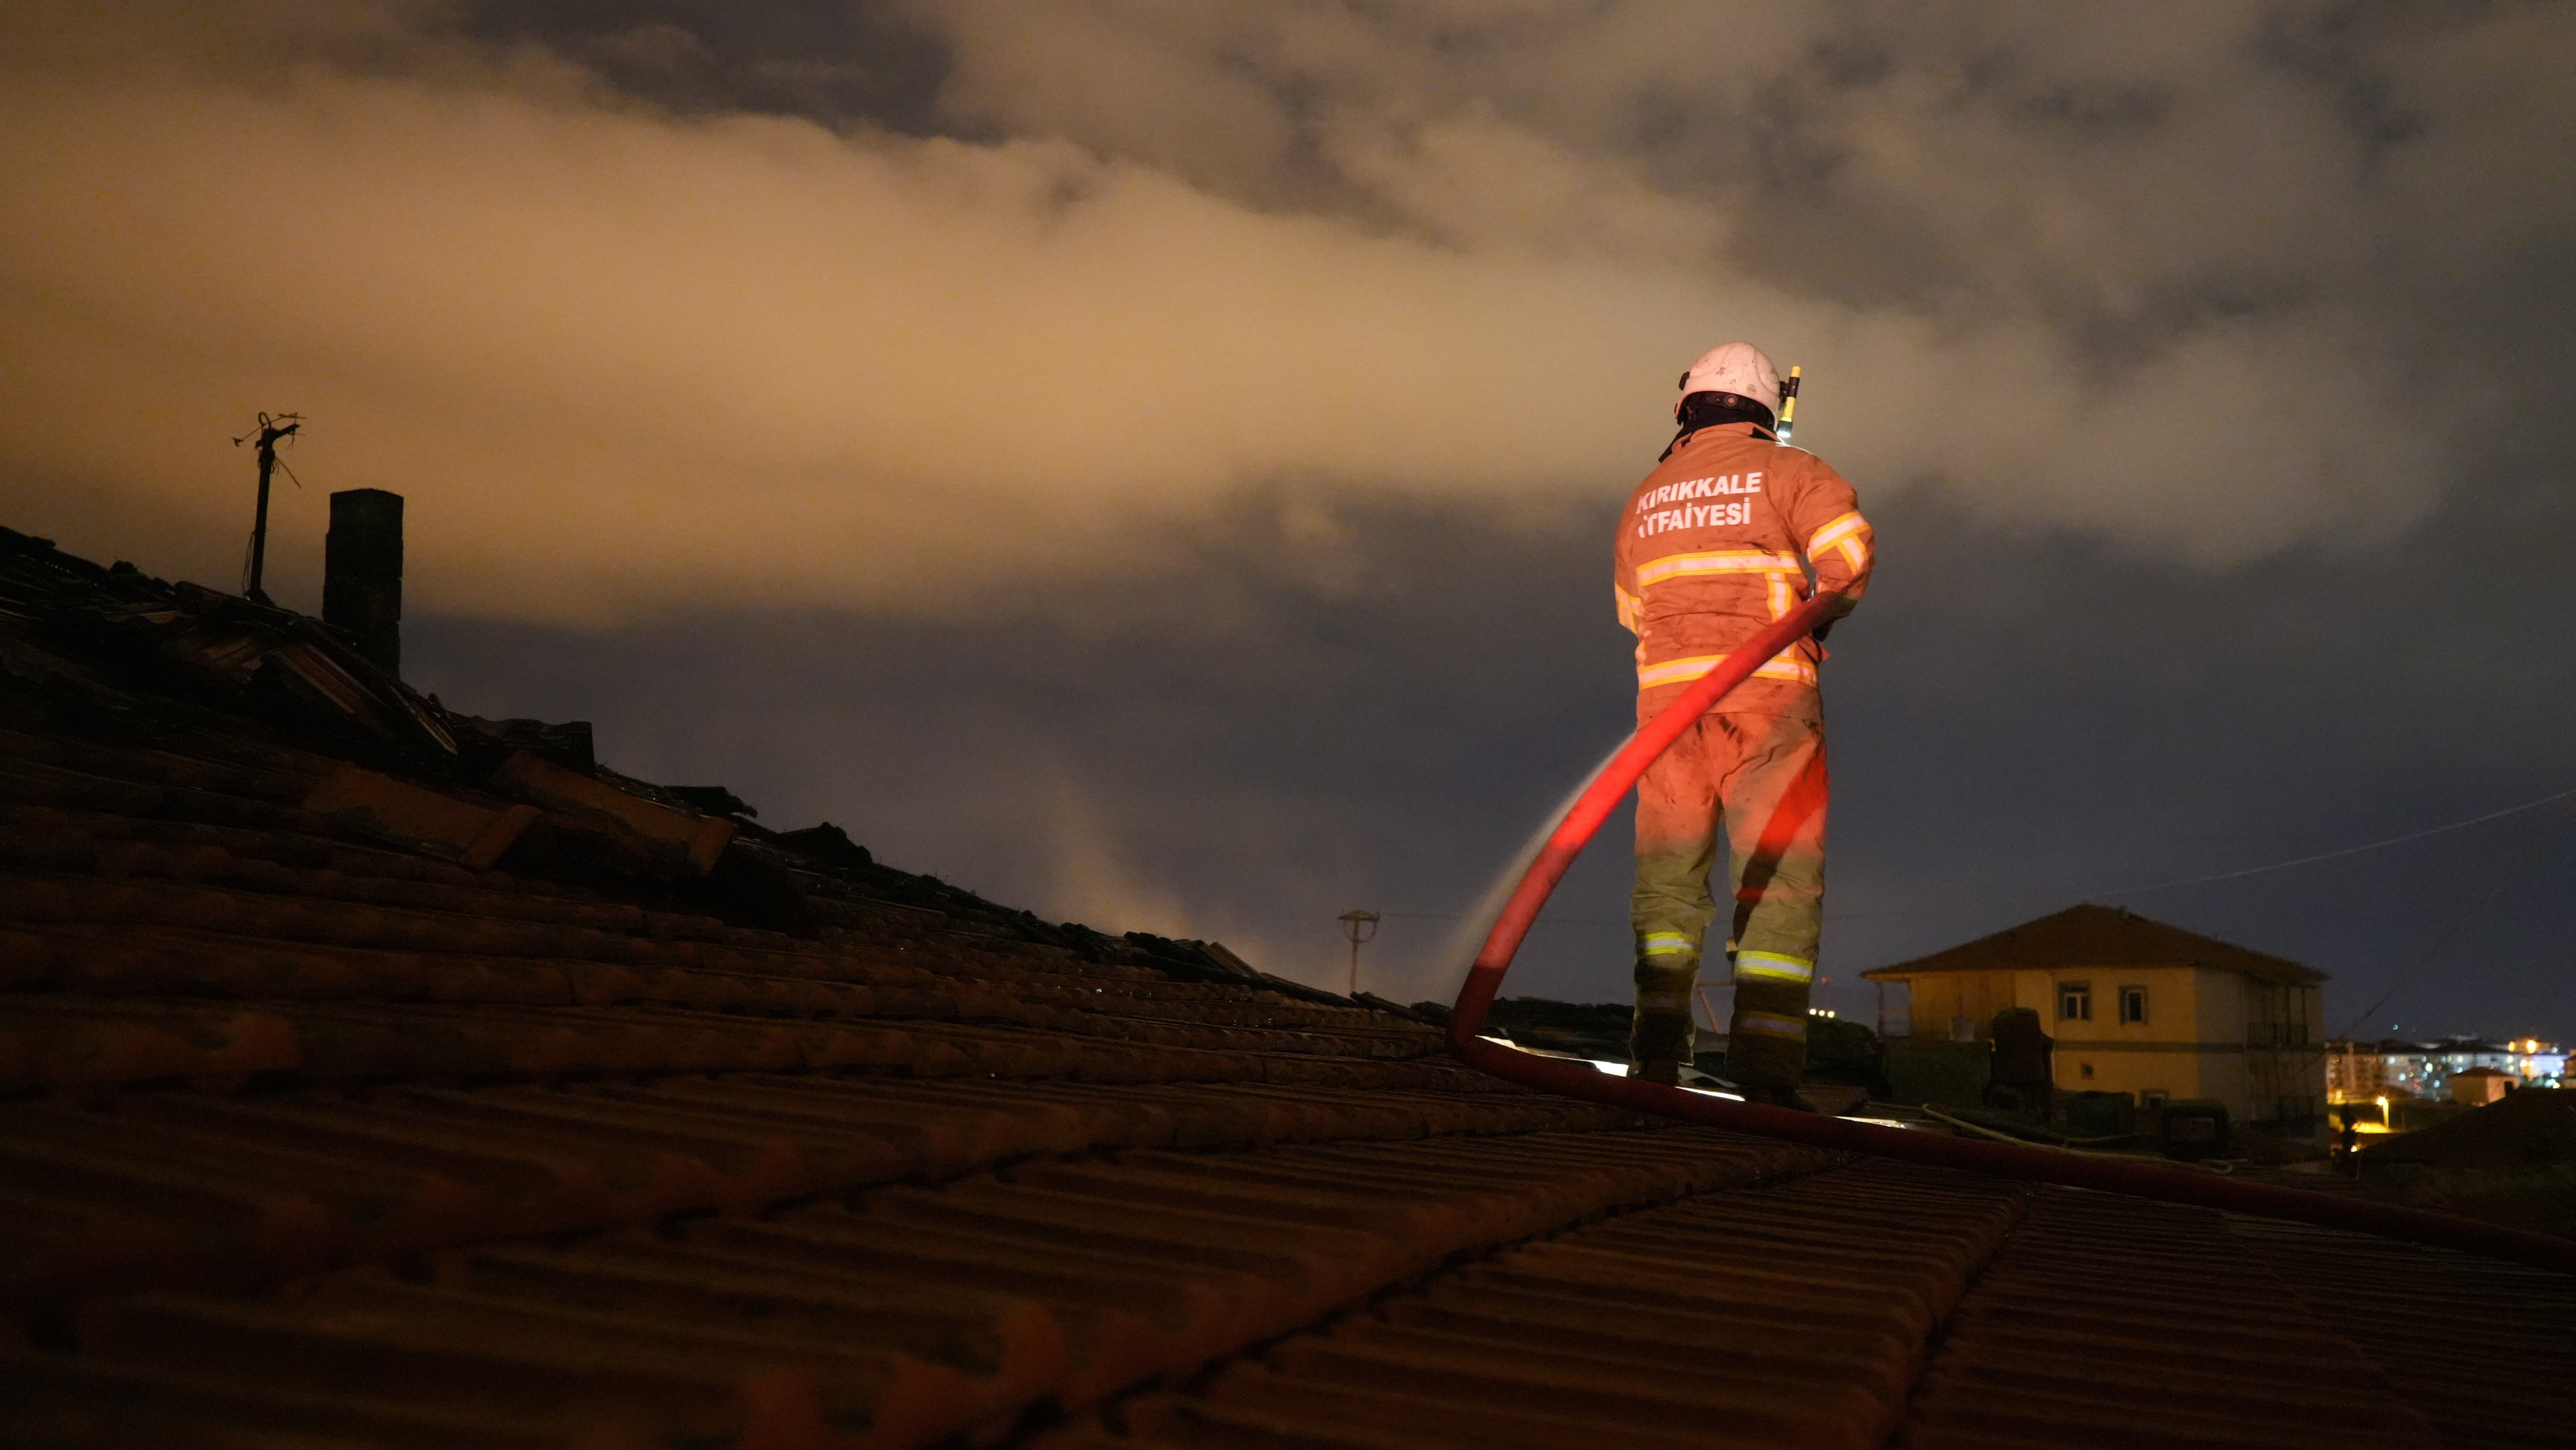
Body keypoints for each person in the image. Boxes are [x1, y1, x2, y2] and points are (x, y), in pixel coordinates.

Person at [1614, 342, 1874, 1104]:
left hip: (1667, 719)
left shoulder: (1648, 494)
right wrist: (1807, 615)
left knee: (1666, 893)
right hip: (1770, 707)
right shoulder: (1796, 473)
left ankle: (1654, 1062)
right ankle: (1763, 1077)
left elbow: (1634, 612)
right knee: (1779, 884)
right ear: (1766, 410)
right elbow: (1849, 562)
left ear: (1687, 408)